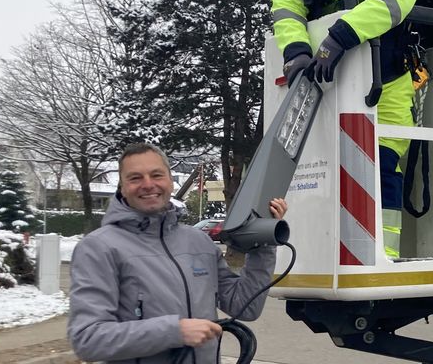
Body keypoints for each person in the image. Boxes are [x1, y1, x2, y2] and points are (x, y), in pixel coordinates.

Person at [270, 0, 422, 258]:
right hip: (326, 77)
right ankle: (329, 255)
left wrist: (342, 34)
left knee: (385, 168)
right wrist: (296, 49)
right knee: (328, 171)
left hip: (388, 76)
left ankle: (383, 261)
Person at [68, 143, 288, 364]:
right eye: (135, 178)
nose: (148, 184)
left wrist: (264, 241)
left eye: (156, 175)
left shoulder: (198, 241)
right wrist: (175, 331)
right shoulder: (98, 248)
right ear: (122, 188)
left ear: (171, 182)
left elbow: (245, 306)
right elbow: (88, 339)